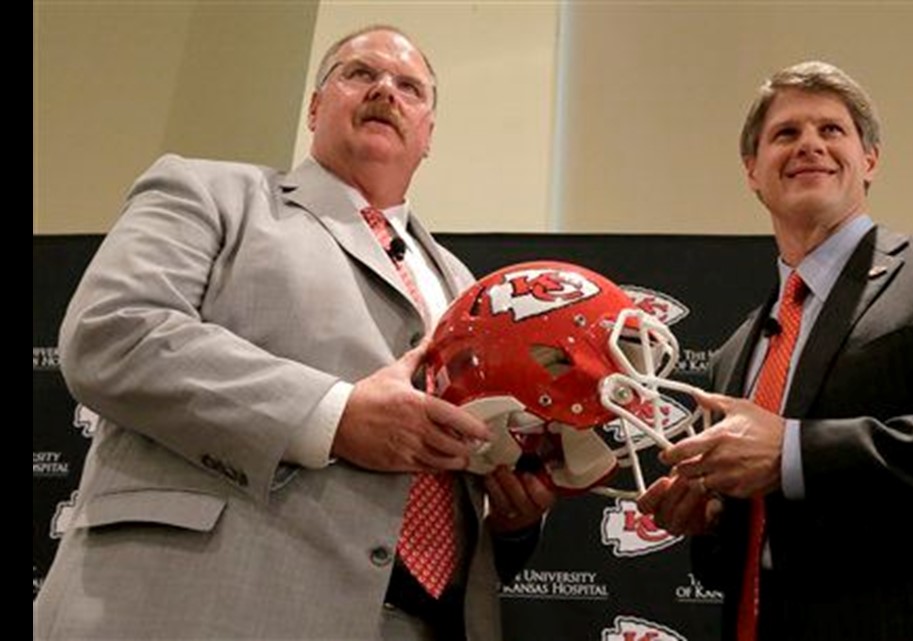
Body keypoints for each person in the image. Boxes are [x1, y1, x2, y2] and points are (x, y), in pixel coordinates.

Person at [33, 24, 554, 641]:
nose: (386, 89)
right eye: (360, 74)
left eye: (410, 87)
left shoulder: (467, 286)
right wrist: (334, 415)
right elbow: (113, 334)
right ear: (314, 107)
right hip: (201, 604)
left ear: (428, 135)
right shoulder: (210, 191)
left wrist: (511, 515)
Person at [638, 61, 913, 641]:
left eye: (831, 130)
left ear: (869, 160)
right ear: (752, 171)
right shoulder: (734, 354)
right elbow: (748, 562)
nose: (809, 146)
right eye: (786, 133)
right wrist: (714, 522)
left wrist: (793, 453)